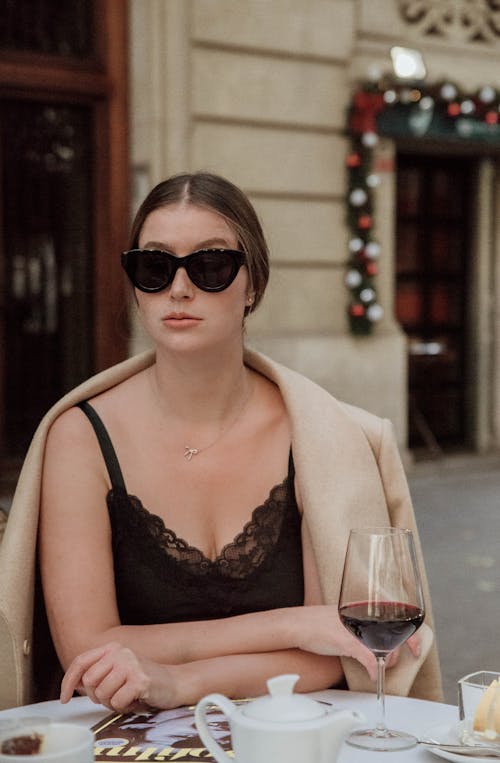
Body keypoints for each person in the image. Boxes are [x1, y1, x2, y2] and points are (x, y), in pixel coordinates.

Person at [1, 172, 442, 713]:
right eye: (154, 267)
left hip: (290, 738)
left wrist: (181, 683)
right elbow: (90, 649)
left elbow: (337, 653)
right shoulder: (81, 436)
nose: (178, 289)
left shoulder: (318, 435)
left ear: (252, 283)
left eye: (210, 266)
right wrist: (294, 624)